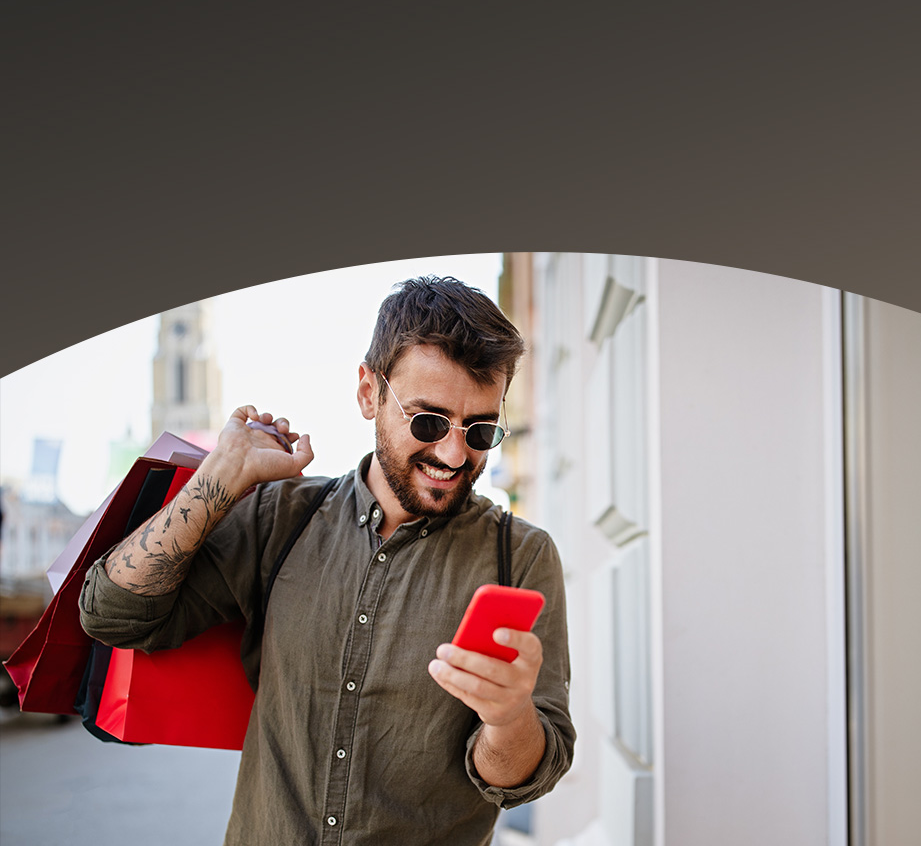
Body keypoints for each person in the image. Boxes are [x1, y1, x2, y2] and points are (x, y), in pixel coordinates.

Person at [79, 276, 574, 846]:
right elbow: (111, 615)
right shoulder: (280, 517)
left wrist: (508, 716)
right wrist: (218, 478)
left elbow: (522, 780)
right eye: (429, 421)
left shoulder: (521, 557)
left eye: (481, 429)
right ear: (368, 393)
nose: (453, 453)